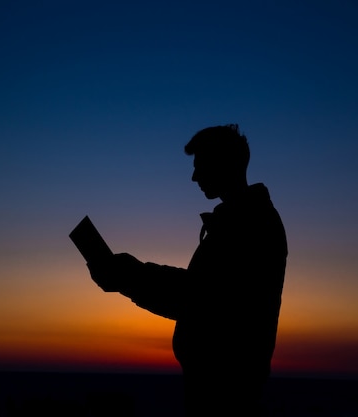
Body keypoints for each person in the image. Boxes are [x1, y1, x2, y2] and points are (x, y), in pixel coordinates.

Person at [87, 124, 287, 416]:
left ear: (226, 164)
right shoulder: (238, 221)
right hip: (217, 385)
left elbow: (199, 297)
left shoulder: (250, 224)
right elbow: (200, 289)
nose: (194, 177)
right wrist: (130, 274)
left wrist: (128, 275)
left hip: (224, 391)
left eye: (201, 165)